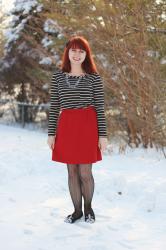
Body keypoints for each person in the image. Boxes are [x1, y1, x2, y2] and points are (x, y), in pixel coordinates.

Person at [47, 35, 108, 224]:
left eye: (81, 51)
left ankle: (89, 208)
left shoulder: (93, 77)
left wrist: (103, 135)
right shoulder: (58, 76)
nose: (77, 54)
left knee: (85, 172)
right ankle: (77, 211)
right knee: (71, 171)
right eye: (73, 50)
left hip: (88, 126)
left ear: (86, 55)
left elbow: (100, 107)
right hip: (66, 126)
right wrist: (51, 133)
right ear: (67, 52)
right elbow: (54, 106)